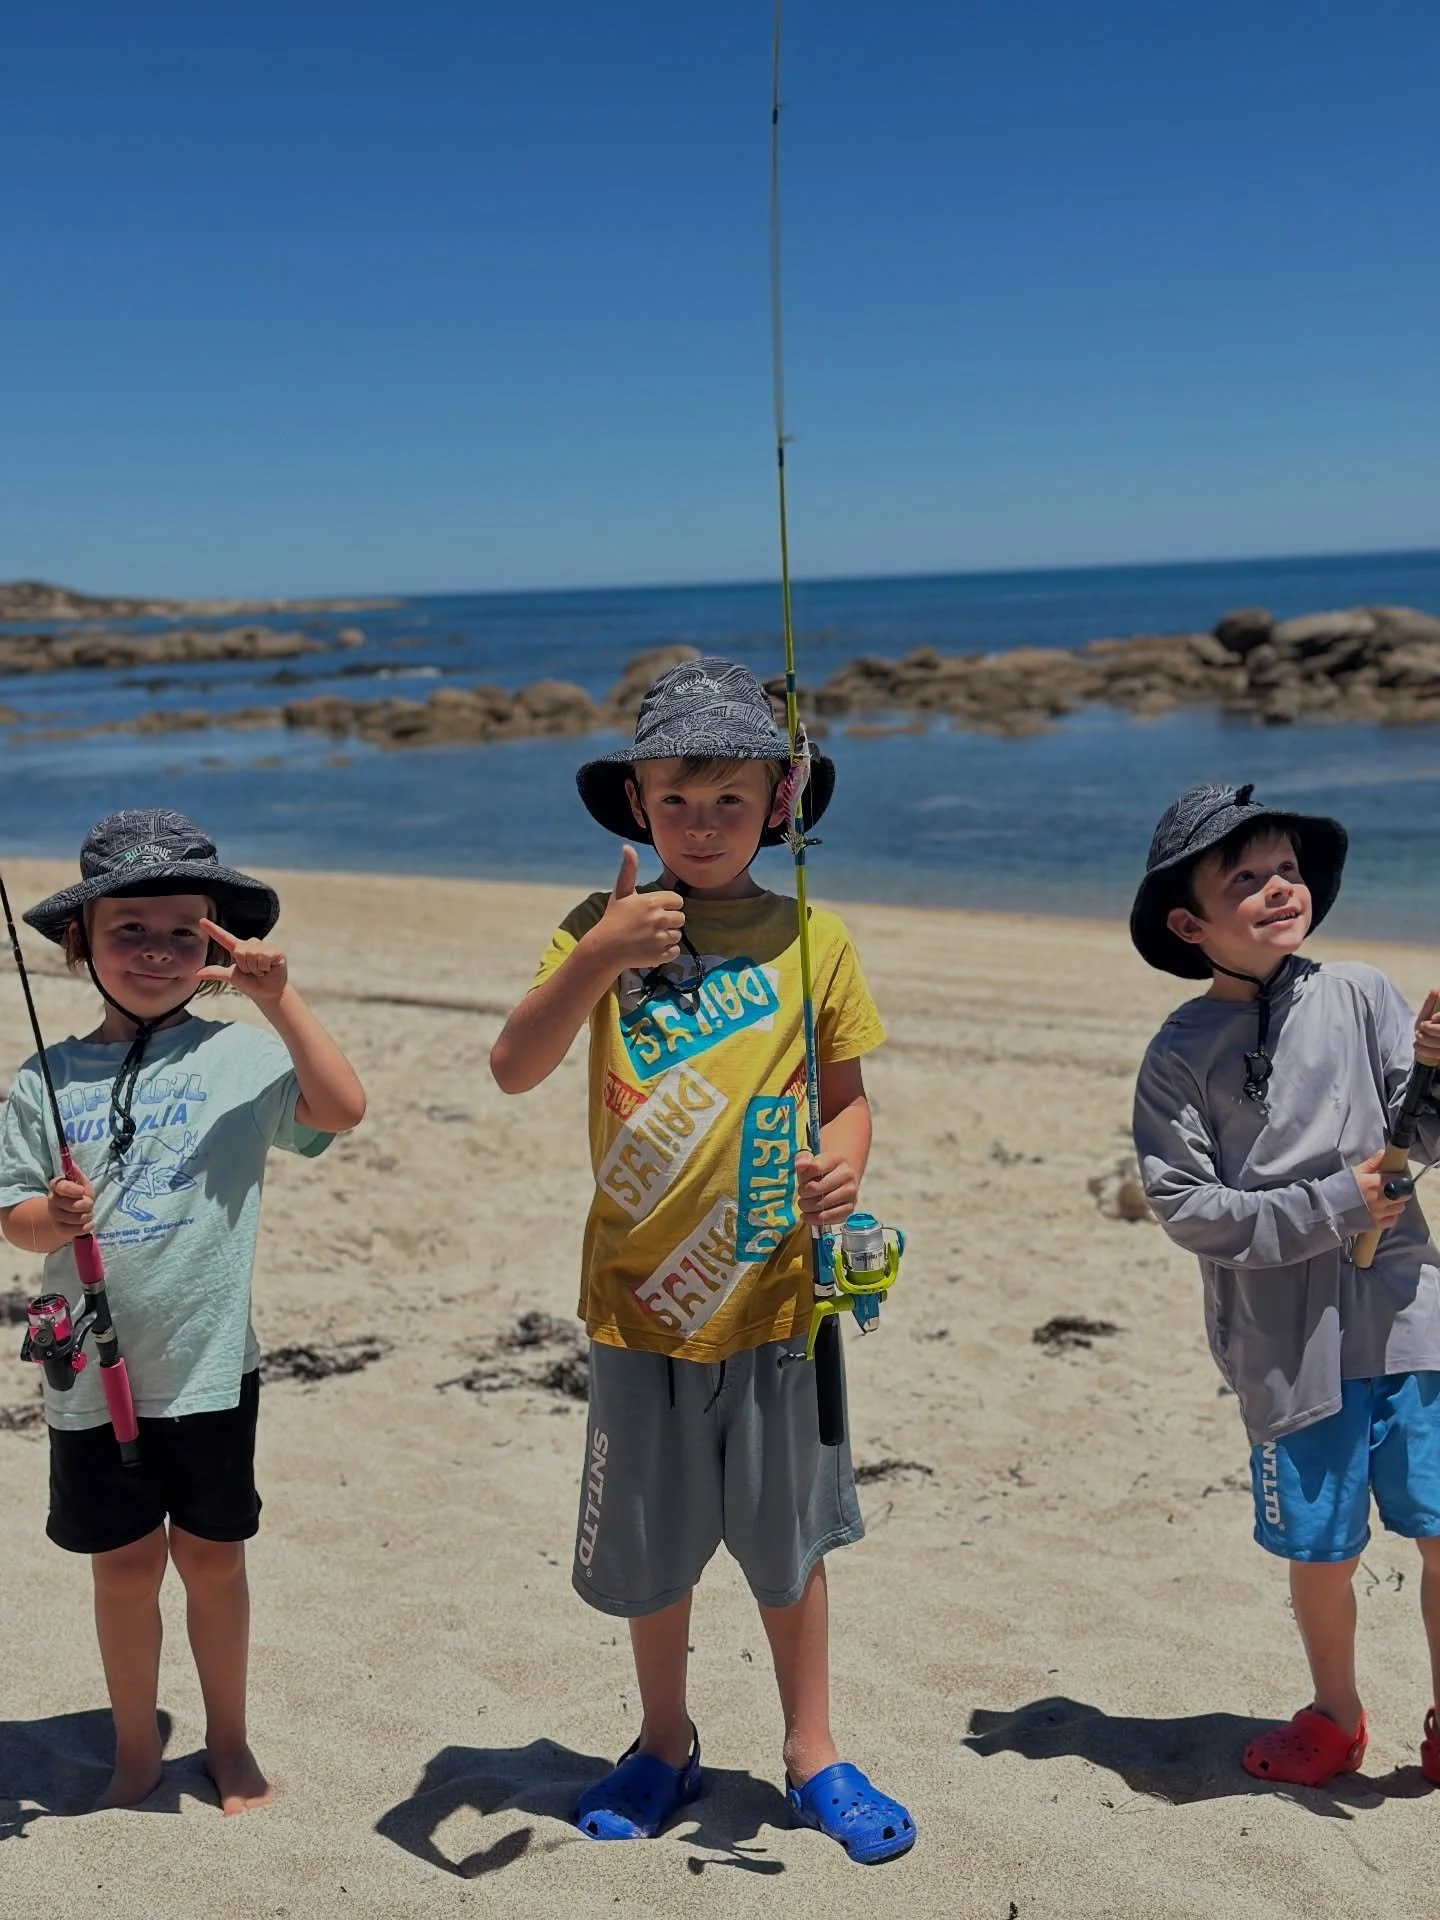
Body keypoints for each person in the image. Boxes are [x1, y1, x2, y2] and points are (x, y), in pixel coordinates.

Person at [489, 657, 915, 1863]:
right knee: (651, 1548)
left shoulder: (814, 937)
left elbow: (849, 1101)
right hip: (637, 1307)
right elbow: (514, 1067)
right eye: (676, 797)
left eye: (733, 797)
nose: (703, 822)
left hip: (781, 1304)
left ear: (783, 802)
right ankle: (664, 1740)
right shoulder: (599, 924)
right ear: (636, 805)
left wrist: (843, 1169)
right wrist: (600, 954)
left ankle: (813, 1751)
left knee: (791, 1547)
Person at [0, 809, 366, 1814]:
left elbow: (341, 1109)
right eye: (129, 929)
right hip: (89, 1377)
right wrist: (50, 1217)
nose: (156, 950)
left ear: (218, 946)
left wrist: (281, 1002)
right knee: (123, 1570)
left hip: (208, 1370)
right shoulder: (43, 1076)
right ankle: (133, 1751)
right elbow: (14, 1219)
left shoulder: (241, 1059)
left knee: (213, 1560)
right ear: (79, 943)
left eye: (183, 931)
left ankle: (230, 1742)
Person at [1130, 781, 1440, 1788]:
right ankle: (1336, 1714)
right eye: (1246, 879)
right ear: (1190, 924)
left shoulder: (1360, 992)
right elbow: (1189, 1208)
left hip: (1411, 1320)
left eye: (1289, 871)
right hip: (1286, 1347)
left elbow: (1418, 1142)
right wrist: (1337, 1203)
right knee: (1324, 1551)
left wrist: (1436, 1075)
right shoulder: (1179, 1053)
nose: (1278, 888)